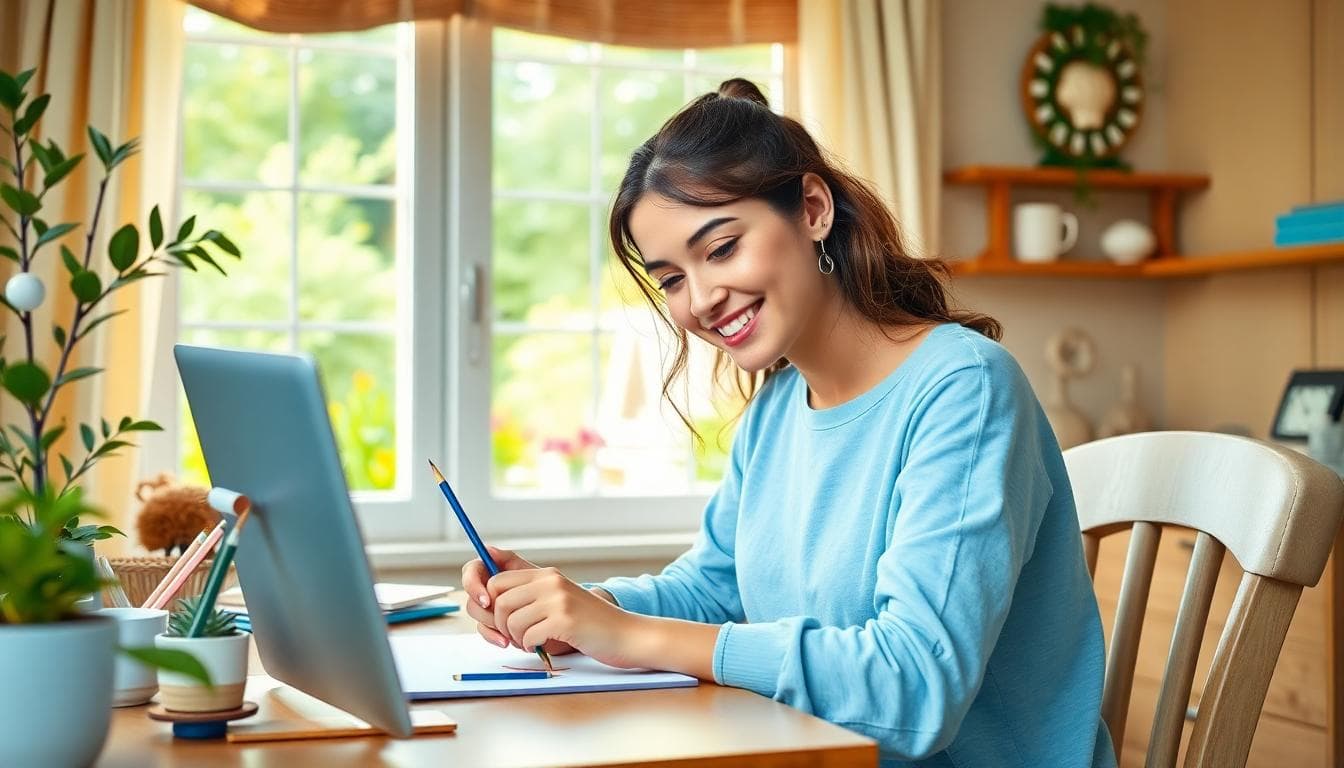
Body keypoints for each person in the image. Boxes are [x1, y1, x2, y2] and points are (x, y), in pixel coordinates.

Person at [462, 78, 1116, 768]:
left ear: (811, 209)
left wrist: (629, 634)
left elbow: (915, 687)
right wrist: (577, 613)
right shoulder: (777, 407)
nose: (703, 299)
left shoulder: (965, 389)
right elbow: (718, 588)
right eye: (672, 279)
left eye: (720, 249)